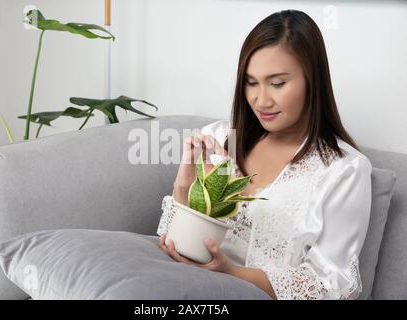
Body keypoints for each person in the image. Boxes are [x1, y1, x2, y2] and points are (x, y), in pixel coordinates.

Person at [157, 9, 372, 300]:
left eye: (278, 83)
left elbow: (330, 284)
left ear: (313, 81)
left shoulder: (343, 170)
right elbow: (172, 243)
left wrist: (231, 273)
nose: (261, 100)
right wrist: (183, 187)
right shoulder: (222, 138)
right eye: (251, 82)